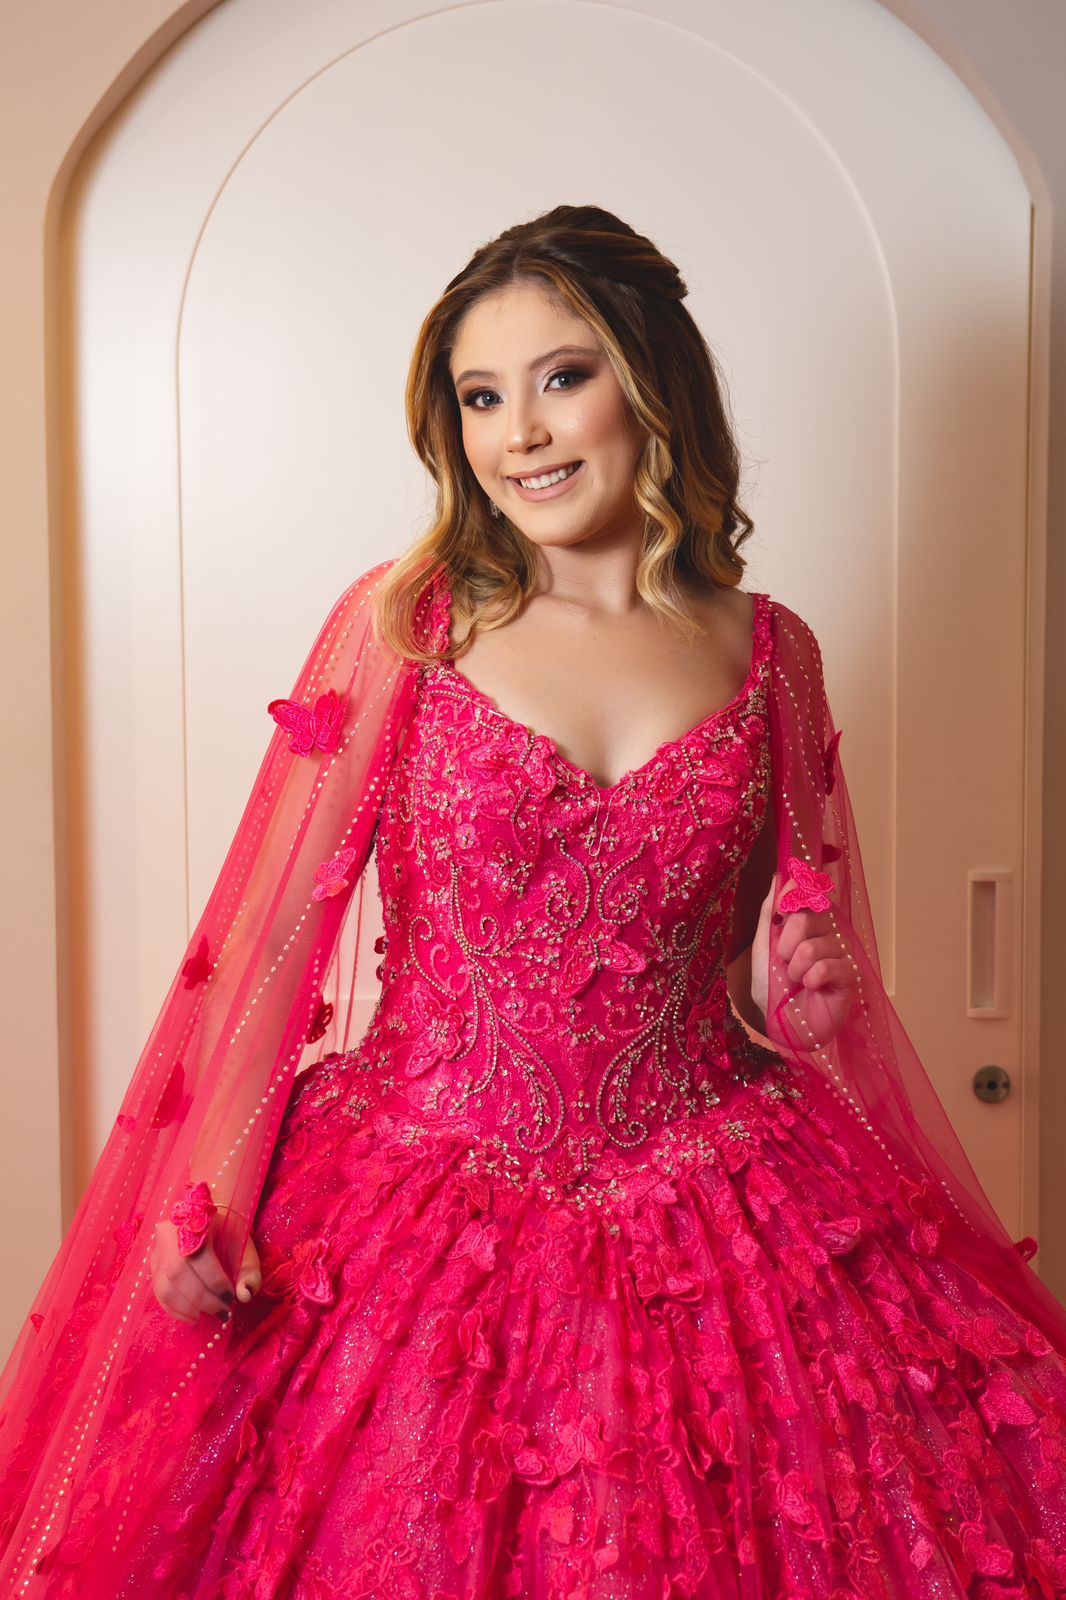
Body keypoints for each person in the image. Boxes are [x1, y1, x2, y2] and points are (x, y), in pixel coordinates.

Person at [2, 203, 1065, 1598]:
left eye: (562, 376)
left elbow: (764, 968)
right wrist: (210, 1183)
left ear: (652, 382)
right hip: (414, 1190)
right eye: (481, 396)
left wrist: (790, 992)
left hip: (712, 1191)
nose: (520, 434)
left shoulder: (771, 655)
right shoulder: (407, 623)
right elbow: (275, 935)